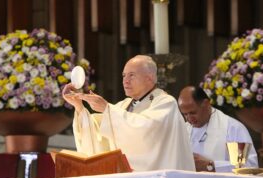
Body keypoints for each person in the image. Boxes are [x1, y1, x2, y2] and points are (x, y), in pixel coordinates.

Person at [62, 55, 195, 171]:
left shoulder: (165, 103)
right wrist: (79, 107)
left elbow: (146, 131)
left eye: (132, 75)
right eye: (124, 76)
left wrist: (107, 109)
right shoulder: (124, 105)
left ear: (149, 78)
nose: (125, 80)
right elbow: (99, 135)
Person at [178, 86, 258, 172]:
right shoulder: (183, 130)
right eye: (185, 114)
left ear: (206, 104)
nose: (189, 118)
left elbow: (247, 167)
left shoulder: (231, 128)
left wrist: (211, 166)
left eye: (193, 113)